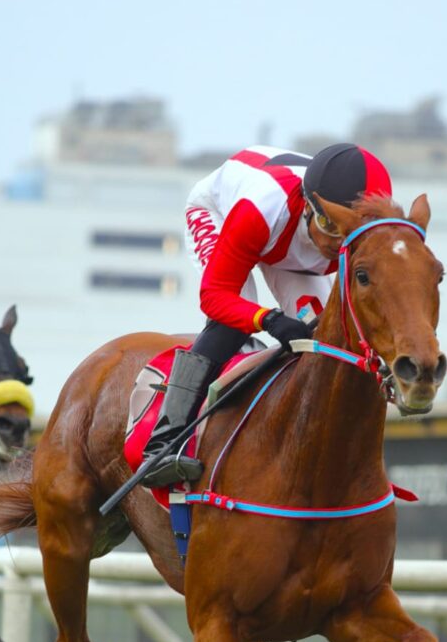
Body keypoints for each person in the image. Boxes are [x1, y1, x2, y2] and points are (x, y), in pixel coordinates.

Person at [139, 142, 394, 488]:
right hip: (222, 215)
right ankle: (164, 441)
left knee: (322, 339)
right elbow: (215, 296)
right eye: (328, 225)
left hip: (288, 247)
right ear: (308, 206)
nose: (336, 244)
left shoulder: (371, 234)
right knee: (233, 321)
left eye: (348, 232)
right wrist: (268, 320)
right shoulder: (262, 208)